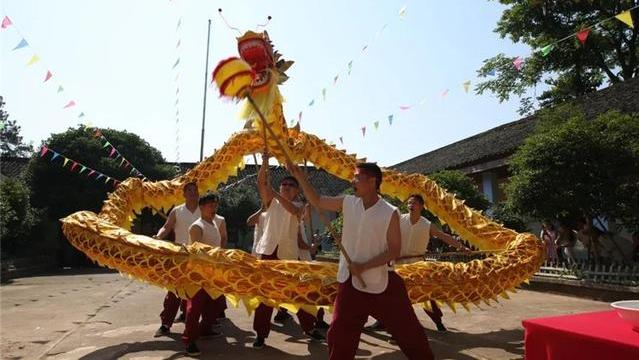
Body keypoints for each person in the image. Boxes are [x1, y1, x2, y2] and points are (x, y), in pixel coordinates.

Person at [287, 160, 434, 360]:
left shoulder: (390, 212)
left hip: (384, 283)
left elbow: (394, 250)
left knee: (409, 332)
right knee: (339, 333)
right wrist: (299, 177)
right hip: (350, 283)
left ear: (372, 181)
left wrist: (364, 266)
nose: (353, 180)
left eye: (357, 177)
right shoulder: (348, 202)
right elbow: (317, 200)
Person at [251, 153, 324, 349]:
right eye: (283, 184)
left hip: (288, 254)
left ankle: (309, 327)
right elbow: (261, 181)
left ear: (297, 190)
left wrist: (275, 192)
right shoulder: (270, 201)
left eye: (290, 185)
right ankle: (260, 334)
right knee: (265, 295)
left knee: (295, 292)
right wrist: (265, 161)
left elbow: (293, 210)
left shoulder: (301, 205)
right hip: (268, 250)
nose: (285, 187)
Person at [367, 194, 469, 334]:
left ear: (421, 206)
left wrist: (461, 247)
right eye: (409, 202)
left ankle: (438, 322)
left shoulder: (427, 225)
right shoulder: (399, 219)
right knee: (389, 295)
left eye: (414, 203)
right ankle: (384, 322)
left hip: (417, 266)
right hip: (397, 265)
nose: (410, 205)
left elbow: (444, 236)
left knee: (426, 295)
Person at [182, 192, 227, 356]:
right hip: (198, 273)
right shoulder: (197, 226)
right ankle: (190, 341)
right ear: (201, 207)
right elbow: (197, 251)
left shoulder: (214, 223)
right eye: (210, 205)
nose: (213, 208)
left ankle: (206, 330)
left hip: (213, 271)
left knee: (212, 304)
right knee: (194, 308)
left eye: (215, 205)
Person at [153, 182, 199, 337]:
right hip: (180, 256)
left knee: (199, 292)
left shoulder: (203, 210)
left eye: (195, 190)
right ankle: (165, 324)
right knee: (174, 291)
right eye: (190, 191)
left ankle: (202, 325)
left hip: (199, 257)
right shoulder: (177, 211)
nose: (193, 193)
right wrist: (158, 236)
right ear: (184, 194)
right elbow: (166, 227)